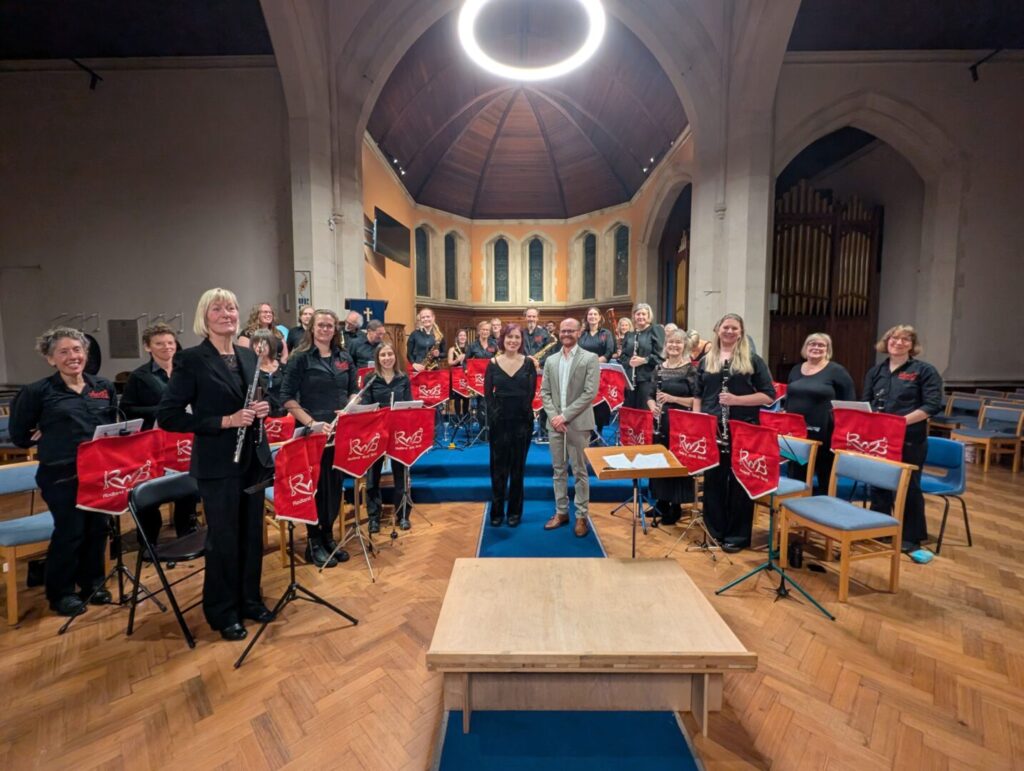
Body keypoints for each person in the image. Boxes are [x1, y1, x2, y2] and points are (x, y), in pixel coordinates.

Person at [157, 288, 274, 641]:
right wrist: (225, 421)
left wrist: (263, 408)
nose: (227, 314)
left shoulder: (248, 355)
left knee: (252, 535)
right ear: (204, 317)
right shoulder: (191, 359)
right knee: (224, 539)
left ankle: (249, 599)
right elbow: (169, 416)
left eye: (232, 308)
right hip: (218, 465)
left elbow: (256, 398)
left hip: (252, 460)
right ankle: (223, 611)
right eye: (218, 309)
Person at [8, 328, 118, 617]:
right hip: (61, 473)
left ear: (86, 354)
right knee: (71, 531)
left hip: (99, 471)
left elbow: (112, 422)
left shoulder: (103, 386)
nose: (73, 356)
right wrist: (44, 434)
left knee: (97, 529)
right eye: (64, 352)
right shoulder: (37, 392)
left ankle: (93, 584)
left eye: (77, 350)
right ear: (50, 358)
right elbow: (19, 435)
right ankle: (61, 593)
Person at [694, 313, 775, 553]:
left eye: (734, 328)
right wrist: (699, 421)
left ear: (741, 333)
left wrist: (736, 400)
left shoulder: (753, 360)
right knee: (713, 481)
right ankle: (714, 531)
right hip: (713, 426)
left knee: (740, 481)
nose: (729, 331)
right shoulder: (707, 360)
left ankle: (737, 536)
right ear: (717, 330)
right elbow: (698, 394)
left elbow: (769, 395)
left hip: (743, 427)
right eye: (725, 327)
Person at [281, 309, 358, 555]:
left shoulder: (344, 357)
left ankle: (328, 535)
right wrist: (311, 423)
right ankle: (313, 541)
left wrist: (350, 407)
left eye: (329, 325)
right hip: (311, 432)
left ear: (335, 329)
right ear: (312, 328)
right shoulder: (300, 357)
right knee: (314, 487)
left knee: (334, 487)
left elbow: (353, 390)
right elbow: (287, 397)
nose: (325, 329)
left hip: (338, 432)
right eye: (321, 325)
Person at [863, 324, 943, 559]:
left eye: (905, 339)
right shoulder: (876, 372)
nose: (898, 343)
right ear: (886, 342)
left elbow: (932, 405)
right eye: (894, 338)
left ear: (912, 345)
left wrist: (899, 423)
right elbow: (866, 402)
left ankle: (911, 536)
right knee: (878, 484)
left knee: (908, 486)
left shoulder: (924, 371)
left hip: (910, 438)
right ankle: (879, 529)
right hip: (880, 438)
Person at [121, 322, 198, 545]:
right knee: (150, 494)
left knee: (187, 489)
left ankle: (187, 537)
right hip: (153, 444)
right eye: (160, 343)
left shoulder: (188, 371)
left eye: (170, 342)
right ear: (148, 347)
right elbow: (127, 409)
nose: (167, 347)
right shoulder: (139, 376)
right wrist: (162, 411)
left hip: (185, 441)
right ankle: (149, 544)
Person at [541, 318, 600, 538]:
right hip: (555, 424)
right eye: (563, 330)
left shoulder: (590, 358)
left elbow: (590, 393)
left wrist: (565, 416)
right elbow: (545, 392)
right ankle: (561, 512)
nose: (566, 334)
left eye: (571, 331)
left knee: (580, 471)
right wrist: (555, 417)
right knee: (558, 470)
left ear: (579, 332)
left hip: (579, 423)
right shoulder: (551, 360)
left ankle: (582, 515)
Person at [786, 333, 856, 493]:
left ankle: (824, 506)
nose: (816, 347)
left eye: (821, 345)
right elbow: (789, 397)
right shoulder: (796, 369)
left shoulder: (837, 371)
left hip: (825, 433)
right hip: (797, 433)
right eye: (812, 344)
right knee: (796, 475)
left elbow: (849, 401)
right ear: (806, 347)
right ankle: (795, 506)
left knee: (825, 475)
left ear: (828, 349)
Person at [484, 324, 537, 527]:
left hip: (522, 422)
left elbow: (531, 393)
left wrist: (523, 418)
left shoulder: (528, 363)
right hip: (499, 422)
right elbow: (488, 395)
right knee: (498, 469)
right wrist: (495, 415)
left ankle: (515, 511)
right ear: (502, 339)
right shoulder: (493, 363)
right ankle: (497, 511)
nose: (513, 341)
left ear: (521, 340)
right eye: (509, 337)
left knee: (517, 469)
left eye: (517, 337)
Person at [648, 328, 699, 524]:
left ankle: (675, 505)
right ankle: (661, 502)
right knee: (659, 460)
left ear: (684, 345)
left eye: (678, 342)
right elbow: (649, 395)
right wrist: (653, 407)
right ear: (665, 345)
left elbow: (697, 399)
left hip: (680, 422)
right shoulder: (658, 368)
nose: (674, 345)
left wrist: (673, 398)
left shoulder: (690, 369)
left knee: (676, 461)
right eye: (670, 342)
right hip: (660, 422)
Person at [362, 344, 413, 530]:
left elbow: (409, 404)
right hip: (376, 431)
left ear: (395, 356)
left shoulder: (403, 378)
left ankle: (403, 514)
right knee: (372, 475)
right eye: (382, 355)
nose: (387, 358)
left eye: (390, 354)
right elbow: (366, 405)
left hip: (398, 431)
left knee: (401, 473)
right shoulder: (370, 379)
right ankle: (374, 516)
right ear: (377, 358)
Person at [619, 303, 665, 409]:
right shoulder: (629, 334)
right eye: (638, 314)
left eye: (644, 314)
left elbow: (661, 356)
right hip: (630, 380)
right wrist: (629, 361)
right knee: (629, 411)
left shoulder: (656, 330)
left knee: (644, 412)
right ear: (634, 316)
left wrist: (644, 360)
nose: (640, 317)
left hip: (648, 380)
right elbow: (622, 356)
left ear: (649, 316)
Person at [579, 306, 615, 440]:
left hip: (601, 372)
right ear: (587, 317)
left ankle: (598, 432)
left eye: (595, 314)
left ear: (600, 317)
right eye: (590, 314)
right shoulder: (582, 334)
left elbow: (609, 351)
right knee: (585, 401)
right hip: (583, 371)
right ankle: (585, 430)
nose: (592, 316)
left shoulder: (606, 333)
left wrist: (595, 361)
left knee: (599, 403)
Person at [249, 329, 288, 418]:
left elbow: (291, 391)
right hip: (262, 416)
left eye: (264, 344)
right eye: (256, 343)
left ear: (271, 345)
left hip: (285, 414)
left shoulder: (283, 367)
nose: (259, 347)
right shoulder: (250, 369)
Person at [407, 307, 444, 372]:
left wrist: (438, 354)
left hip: (434, 369)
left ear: (433, 317)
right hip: (418, 368)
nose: (425, 319)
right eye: (423, 317)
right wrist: (414, 364)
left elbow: (444, 353)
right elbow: (409, 354)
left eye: (428, 316)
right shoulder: (414, 334)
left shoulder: (439, 335)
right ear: (420, 319)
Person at [447, 328, 470, 421]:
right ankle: (458, 418)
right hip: (456, 375)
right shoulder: (452, 349)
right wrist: (457, 360)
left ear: (466, 337)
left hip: (466, 374)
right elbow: (449, 363)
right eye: (460, 335)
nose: (462, 337)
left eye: (464, 335)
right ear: (457, 337)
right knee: (457, 397)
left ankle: (465, 417)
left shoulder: (469, 348)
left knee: (466, 397)